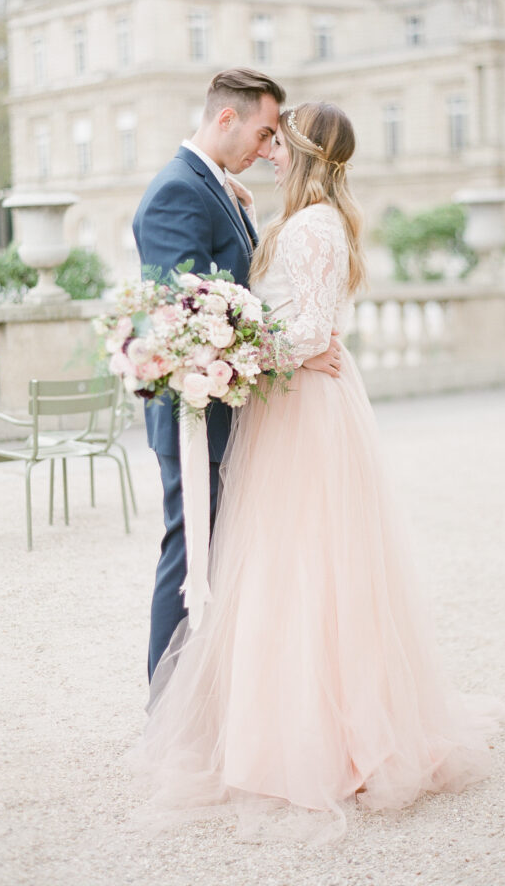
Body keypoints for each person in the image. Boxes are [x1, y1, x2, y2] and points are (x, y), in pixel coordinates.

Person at [130, 102, 504, 843]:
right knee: (289, 567)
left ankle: (318, 738)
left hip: (303, 410)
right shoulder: (303, 220)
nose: (269, 153)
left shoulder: (311, 226)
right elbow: (303, 324)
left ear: (301, 152)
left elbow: (303, 330)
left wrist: (237, 351)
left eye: (279, 142)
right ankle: (284, 722)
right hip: (297, 403)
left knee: (303, 568)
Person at [132, 70, 341, 681]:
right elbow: (189, 316)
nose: (268, 148)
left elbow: (238, 291)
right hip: (197, 413)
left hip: (230, 408)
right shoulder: (178, 190)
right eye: (264, 133)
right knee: (191, 554)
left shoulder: (217, 187)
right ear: (227, 119)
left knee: (221, 557)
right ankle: (168, 706)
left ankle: (211, 703)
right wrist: (296, 350)